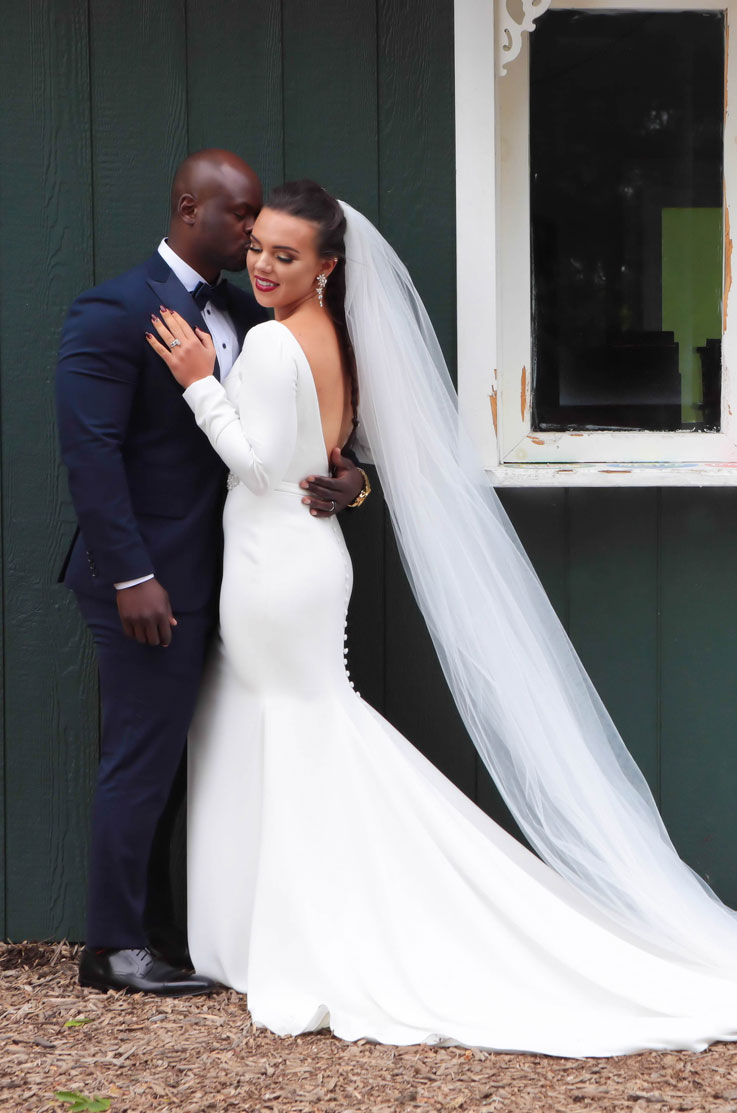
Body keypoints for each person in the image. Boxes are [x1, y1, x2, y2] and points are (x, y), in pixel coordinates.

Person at [147, 179, 737, 1054]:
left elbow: (263, 467)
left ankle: (329, 929)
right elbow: (342, 451)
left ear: (325, 266)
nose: (264, 266)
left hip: (276, 566)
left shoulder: (274, 346)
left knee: (307, 735)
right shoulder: (337, 336)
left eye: (286, 254)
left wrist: (200, 383)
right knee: (286, 733)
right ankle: (265, 927)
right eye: (259, 248)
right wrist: (351, 477)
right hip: (301, 562)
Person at [55, 154, 367, 997]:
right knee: (142, 758)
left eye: (270, 233)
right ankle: (113, 947)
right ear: (190, 208)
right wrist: (129, 575)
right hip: (149, 584)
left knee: (196, 761)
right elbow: (91, 456)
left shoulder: (248, 313)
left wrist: (351, 478)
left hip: (243, 579)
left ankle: (167, 934)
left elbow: (296, 436)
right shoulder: (113, 310)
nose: (255, 243)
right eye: (242, 223)